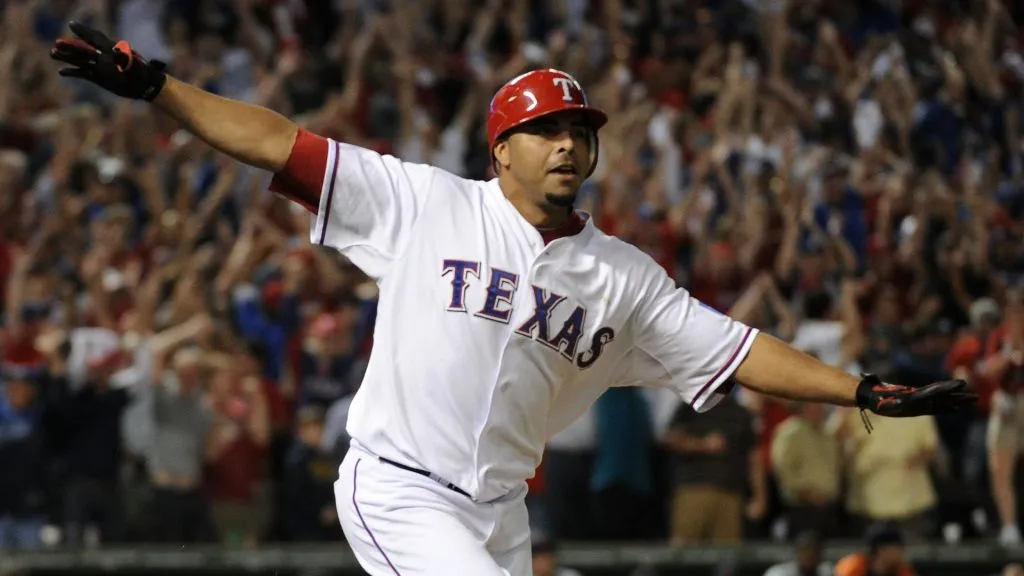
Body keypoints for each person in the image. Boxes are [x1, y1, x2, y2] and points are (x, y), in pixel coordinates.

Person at [49, 22, 977, 575]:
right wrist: (160, 88)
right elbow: (278, 143)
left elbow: (739, 350)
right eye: (544, 130)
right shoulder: (426, 201)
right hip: (401, 486)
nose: (567, 144)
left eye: (579, 129)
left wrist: (855, 389)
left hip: (501, 515)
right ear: (501, 150)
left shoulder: (624, 276)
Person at [762, 530, 832, 576]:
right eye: (805, 550)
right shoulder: (778, 573)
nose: (809, 555)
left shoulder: (828, 571)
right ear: (797, 552)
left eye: (815, 552)